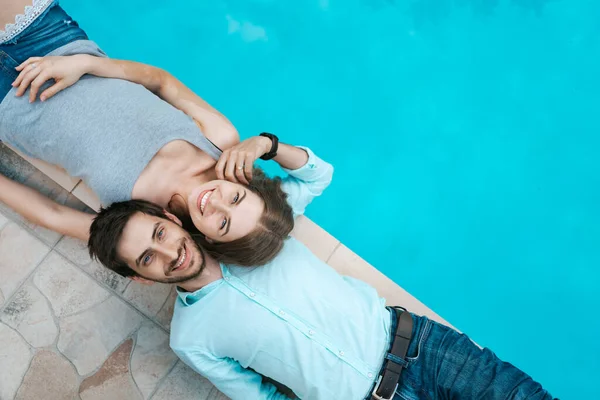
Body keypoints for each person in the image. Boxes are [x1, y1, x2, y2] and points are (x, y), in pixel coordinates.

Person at [93, 199, 556, 400]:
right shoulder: (189, 338)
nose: (169, 253)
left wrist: (265, 146)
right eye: (147, 259)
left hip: (425, 349)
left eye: (159, 233)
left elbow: (316, 174)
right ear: (142, 279)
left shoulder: (248, 230)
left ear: (170, 218)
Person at [0, 0, 332, 265]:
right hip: (55, 43)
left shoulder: (150, 221)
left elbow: (54, 215)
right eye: (235, 198)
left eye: (223, 223)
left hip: (12, 108)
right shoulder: (220, 138)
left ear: (212, 240)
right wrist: (86, 64)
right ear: (246, 186)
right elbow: (161, 81)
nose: (216, 203)